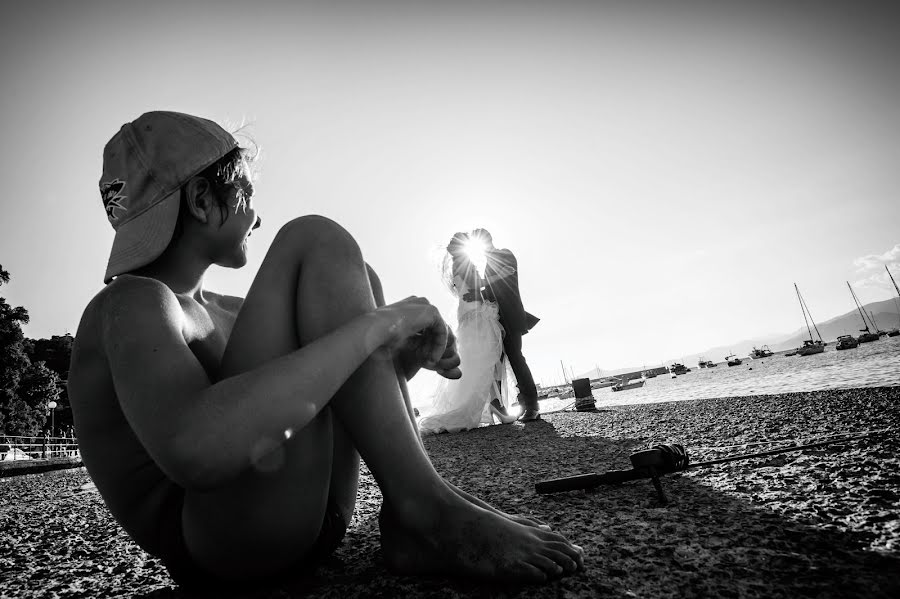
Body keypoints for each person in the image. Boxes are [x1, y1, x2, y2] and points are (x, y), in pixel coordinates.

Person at [68, 111, 583, 589]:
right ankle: (427, 511)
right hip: (223, 548)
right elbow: (196, 449)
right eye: (245, 188)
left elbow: (297, 402)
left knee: (356, 278)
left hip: (310, 516)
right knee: (314, 240)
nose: (256, 210)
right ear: (203, 199)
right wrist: (383, 323)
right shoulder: (131, 303)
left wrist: (397, 357)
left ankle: (419, 501)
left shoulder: (225, 308)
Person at [417, 232, 518, 434]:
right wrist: (500, 275)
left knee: (482, 359)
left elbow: (464, 289)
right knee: (489, 356)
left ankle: (497, 405)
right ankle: (496, 406)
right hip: (475, 312)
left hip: (467, 312)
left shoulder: (456, 264)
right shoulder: (464, 262)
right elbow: (473, 289)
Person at [472, 229, 541, 421]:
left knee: (516, 358)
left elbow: (505, 274)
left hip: (510, 315)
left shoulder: (504, 254)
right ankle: (505, 406)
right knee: (498, 362)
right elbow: (493, 291)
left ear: (488, 240)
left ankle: (532, 406)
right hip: (496, 319)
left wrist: (479, 284)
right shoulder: (486, 264)